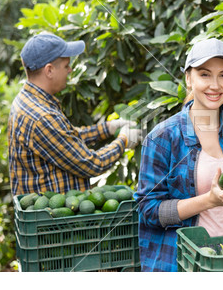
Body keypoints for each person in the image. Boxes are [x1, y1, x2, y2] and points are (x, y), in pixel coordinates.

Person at [134, 38, 223, 271]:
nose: (215, 85)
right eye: (205, 74)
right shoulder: (162, 137)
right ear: (188, 78)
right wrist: (209, 201)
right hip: (178, 262)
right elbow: (147, 210)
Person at [8, 32, 142, 195]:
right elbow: (91, 164)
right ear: (49, 70)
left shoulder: (29, 100)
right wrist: (124, 141)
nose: (70, 70)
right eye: (66, 66)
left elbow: (65, 138)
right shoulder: (42, 117)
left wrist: (109, 128)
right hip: (52, 218)